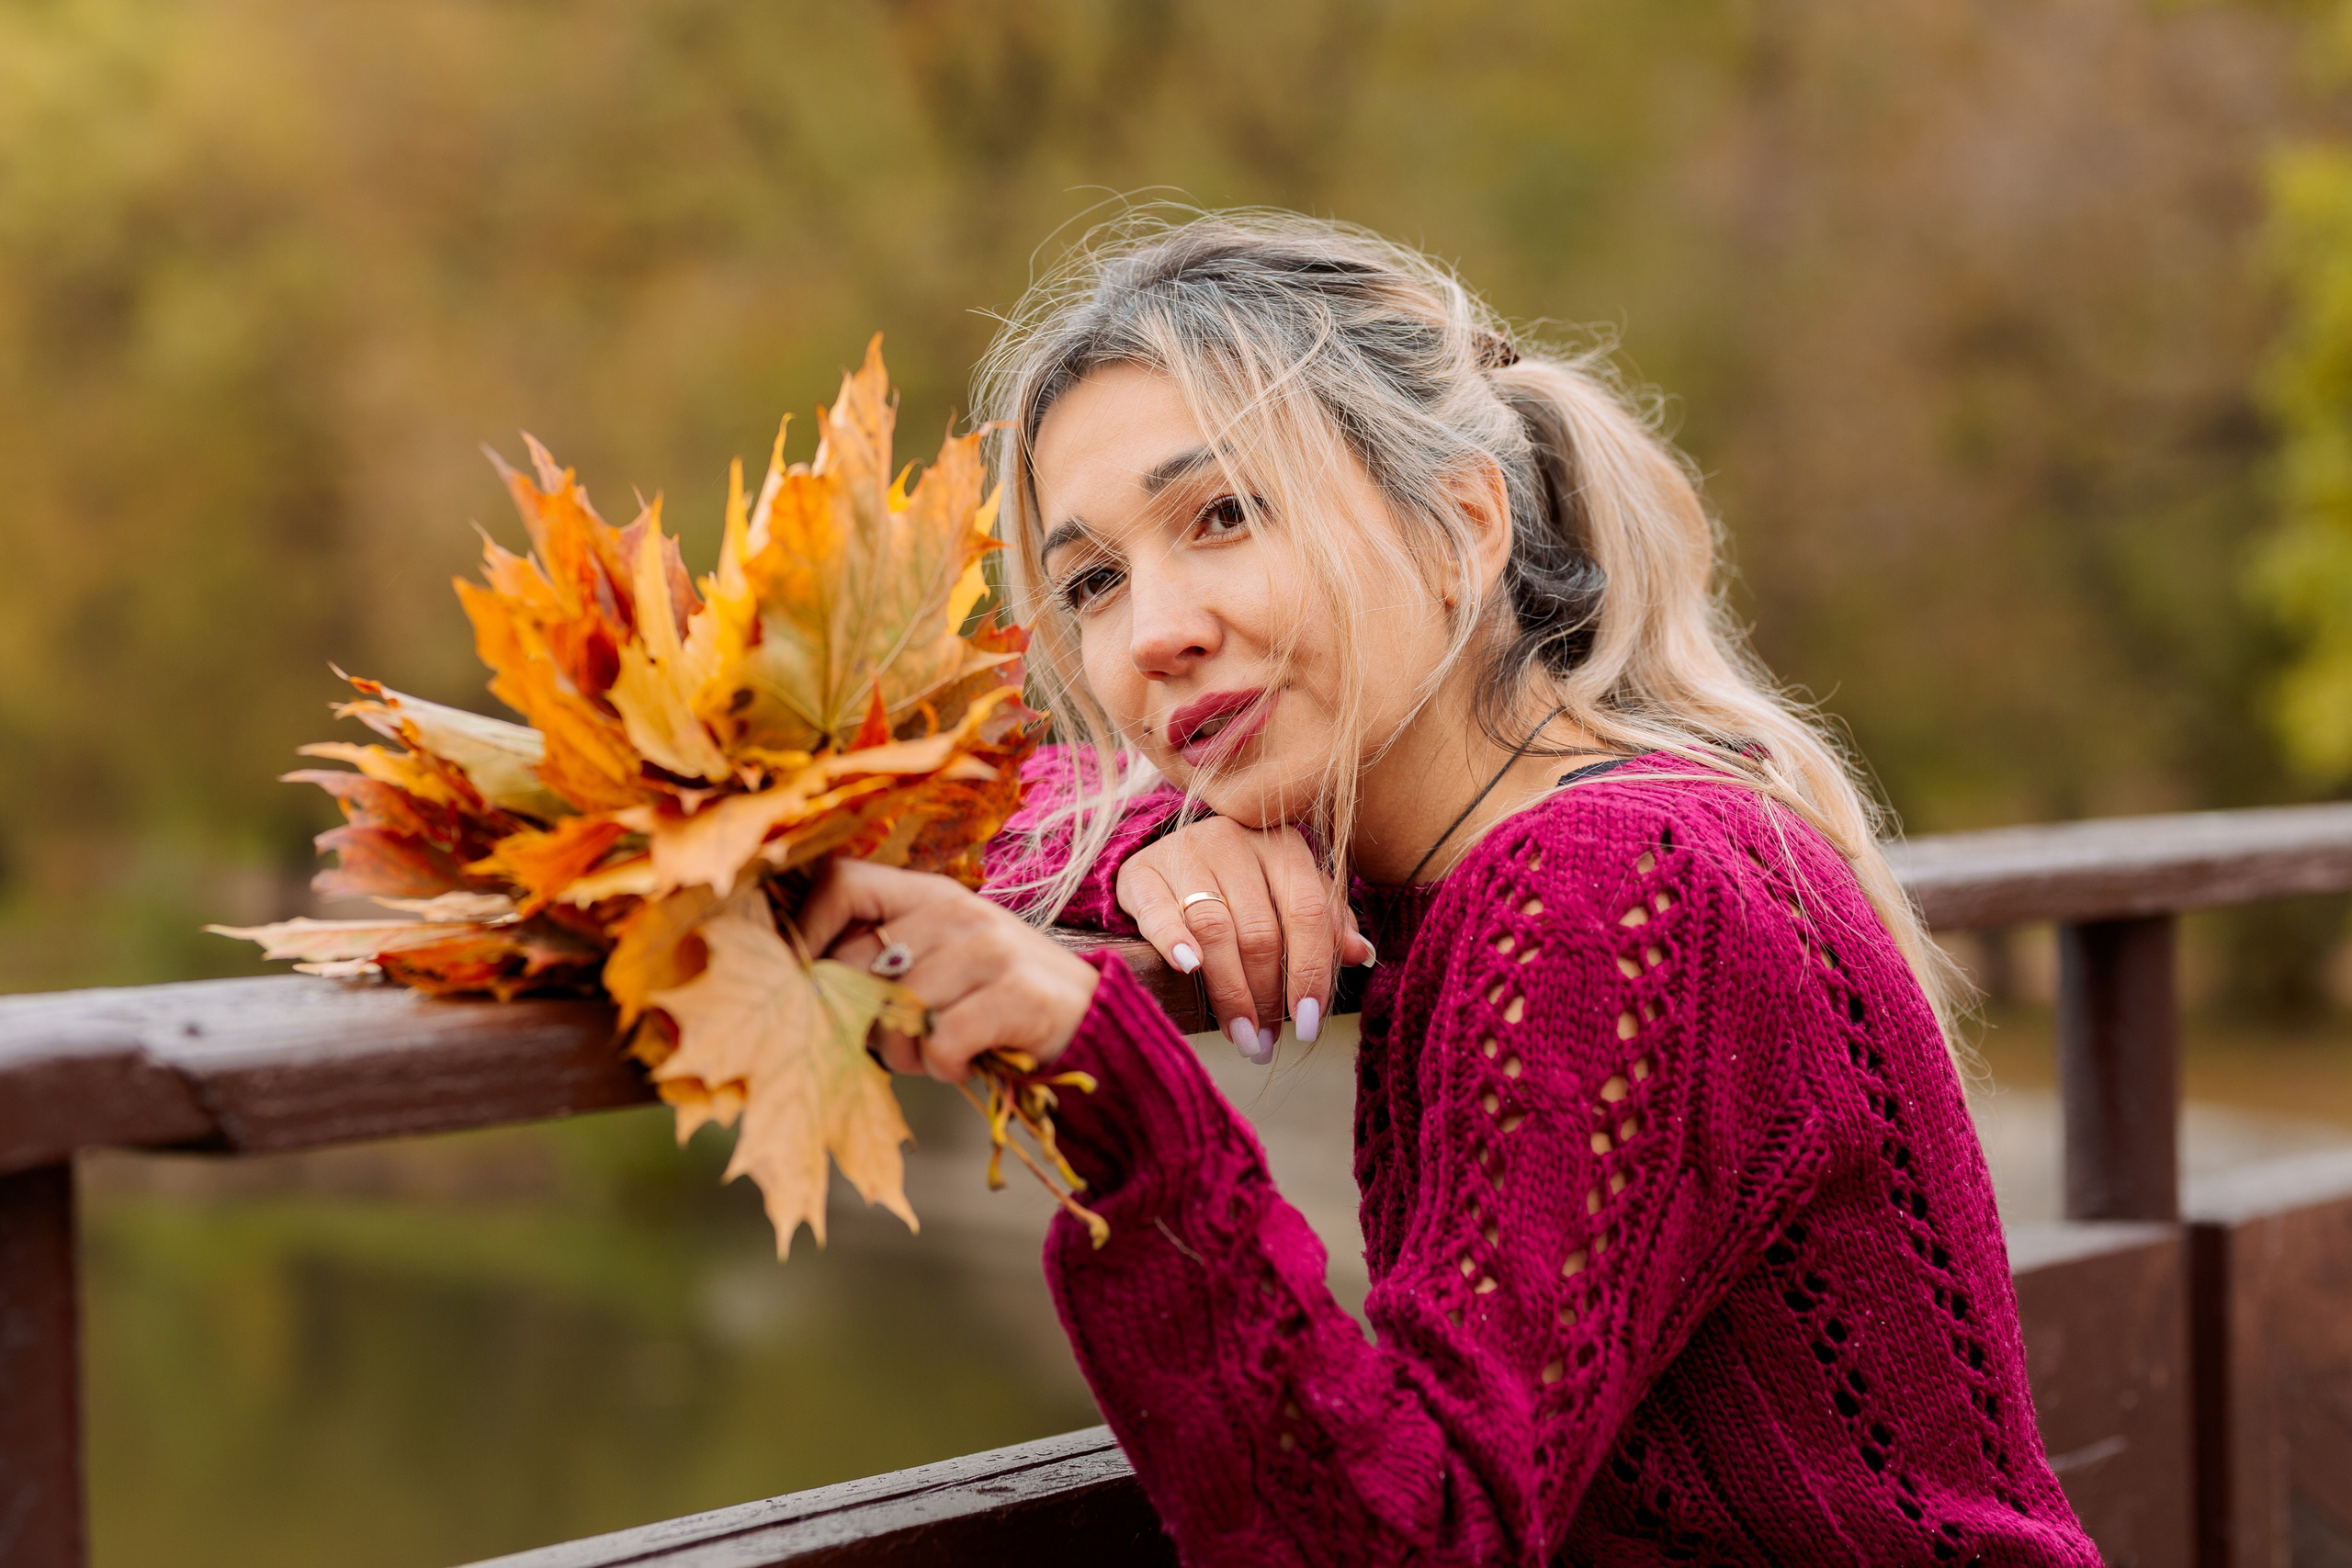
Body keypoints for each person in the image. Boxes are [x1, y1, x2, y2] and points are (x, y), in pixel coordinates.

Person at [798, 212, 2099, 1566]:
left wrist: (1109, 1089)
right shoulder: (1602, 818)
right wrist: (1152, 839)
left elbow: (1407, 1545)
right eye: (1093, 583)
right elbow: (983, 799)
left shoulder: (1603, 889)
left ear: (1463, 527)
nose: (1156, 632)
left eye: (1226, 515)